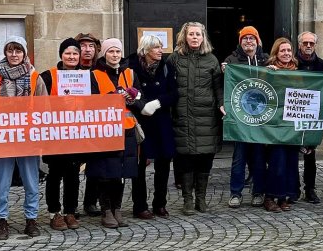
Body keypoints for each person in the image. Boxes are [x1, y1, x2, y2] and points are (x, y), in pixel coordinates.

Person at [0, 36, 47, 240]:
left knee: (31, 181)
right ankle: (1, 221)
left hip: (28, 137)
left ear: (24, 53)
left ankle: (31, 219)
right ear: (5, 52)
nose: (14, 55)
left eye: (18, 51)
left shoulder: (35, 76)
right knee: (1, 182)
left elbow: (43, 106)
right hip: (2, 136)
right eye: (10, 50)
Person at [41, 38, 100, 231]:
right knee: (55, 174)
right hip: (55, 133)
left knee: (73, 173)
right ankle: (54, 212)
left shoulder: (87, 76)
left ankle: (70, 211)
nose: (72, 57)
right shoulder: (48, 76)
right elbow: (39, 101)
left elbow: (97, 101)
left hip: (77, 133)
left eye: (75, 53)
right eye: (68, 53)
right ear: (61, 55)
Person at [169, 21, 223, 215]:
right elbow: (169, 87)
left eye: (198, 34)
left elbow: (218, 87)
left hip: (206, 117)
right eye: (191, 34)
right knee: (185, 160)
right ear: (184, 36)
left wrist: (221, 104)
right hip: (182, 116)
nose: (194, 37)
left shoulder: (211, 60)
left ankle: (201, 198)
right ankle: (188, 200)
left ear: (203, 37)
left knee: (204, 160)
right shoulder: (174, 59)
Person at [87, 38, 141, 228]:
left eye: (118, 51)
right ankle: (106, 210)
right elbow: (91, 102)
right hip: (105, 130)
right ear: (104, 54)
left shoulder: (130, 73)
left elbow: (140, 98)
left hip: (126, 128)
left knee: (121, 172)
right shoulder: (94, 75)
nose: (115, 55)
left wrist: (133, 98)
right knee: (105, 172)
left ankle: (117, 208)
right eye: (111, 51)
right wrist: (115, 97)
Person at [128, 34, 178, 219]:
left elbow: (174, 93)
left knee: (163, 164)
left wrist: (157, 103)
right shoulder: (131, 66)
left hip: (161, 120)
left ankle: (160, 203)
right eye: (156, 47)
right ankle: (139, 205)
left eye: (160, 47)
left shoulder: (166, 67)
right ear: (145, 50)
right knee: (139, 166)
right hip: (140, 121)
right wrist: (142, 106)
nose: (160, 51)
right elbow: (127, 93)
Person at [223, 26, 269, 209]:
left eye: (252, 38)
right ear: (240, 41)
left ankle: (258, 192)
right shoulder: (231, 60)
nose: (248, 41)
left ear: (257, 41)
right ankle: (236, 193)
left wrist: (273, 70)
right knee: (239, 157)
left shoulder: (265, 60)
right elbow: (223, 85)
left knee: (259, 157)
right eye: (245, 38)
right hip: (240, 117)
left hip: (260, 117)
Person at [264, 37, 301, 212]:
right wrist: (267, 74)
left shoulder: (298, 72)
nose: (286, 53)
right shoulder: (269, 70)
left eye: (288, 50)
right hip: (275, 125)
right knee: (276, 162)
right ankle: (270, 196)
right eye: (282, 50)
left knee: (290, 163)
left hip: (292, 125)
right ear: (276, 53)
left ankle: (284, 196)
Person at [295, 31, 323, 203]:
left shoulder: (321, 64)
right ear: (299, 44)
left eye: (311, 43)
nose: (308, 46)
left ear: (315, 45)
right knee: (292, 153)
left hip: (312, 113)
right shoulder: (292, 62)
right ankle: (294, 189)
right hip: (293, 112)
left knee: (310, 155)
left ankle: (310, 189)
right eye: (305, 43)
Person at [75, 32, 104, 217]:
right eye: (83, 46)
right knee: (73, 167)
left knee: (96, 165)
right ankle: (71, 207)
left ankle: (91, 202)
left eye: (91, 46)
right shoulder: (67, 70)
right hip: (75, 125)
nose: (87, 50)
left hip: (95, 124)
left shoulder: (101, 71)